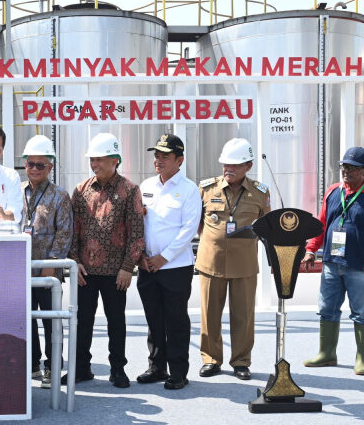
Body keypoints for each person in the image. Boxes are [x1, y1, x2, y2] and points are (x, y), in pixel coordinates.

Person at [63, 132, 145, 388]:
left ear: (115, 160)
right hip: (85, 271)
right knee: (82, 321)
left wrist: (126, 268)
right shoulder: (80, 191)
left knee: (116, 322)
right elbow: (72, 230)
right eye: (92, 160)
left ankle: (118, 369)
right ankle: (81, 368)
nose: (94, 164)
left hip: (115, 274)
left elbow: (136, 233)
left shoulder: (130, 191)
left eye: (99, 159)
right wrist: (74, 261)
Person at [302, 146, 364, 375]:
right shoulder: (333, 191)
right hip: (332, 263)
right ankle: (327, 353)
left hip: (360, 266)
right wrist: (311, 249)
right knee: (327, 309)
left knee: (361, 311)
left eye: (352, 167)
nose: (346, 171)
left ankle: (361, 357)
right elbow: (321, 224)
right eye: (344, 166)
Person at [195, 137, 271, 381]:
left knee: (243, 316)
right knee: (209, 314)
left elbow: (267, 226)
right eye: (225, 164)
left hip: (244, 265)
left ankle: (241, 361)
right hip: (210, 263)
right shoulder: (206, 189)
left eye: (235, 165)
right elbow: (197, 225)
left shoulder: (260, 192)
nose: (229, 169)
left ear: (248, 166)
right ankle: (210, 359)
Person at [136, 134, 201, 390]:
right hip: (148, 267)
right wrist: (141, 255)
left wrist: (163, 257)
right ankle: (156, 367)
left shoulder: (189, 190)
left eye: (165, 156)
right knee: (154, 319)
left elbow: (189, 230)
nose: (158, 161)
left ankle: (178, 372)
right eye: (157, 156)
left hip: (175, 268)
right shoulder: (146, 185)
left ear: (180, 160)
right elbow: (139, 223)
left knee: (175, 321)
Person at [21, 135, 73, 388]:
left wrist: (51, 266)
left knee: (51, 320)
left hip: (48, 270)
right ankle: (31, 365)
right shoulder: (16, 191)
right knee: (25, 318)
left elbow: (64, 233)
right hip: (20, 269)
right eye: (30, 164)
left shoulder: (59, 196)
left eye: (40, 165)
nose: (33, 169)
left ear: (50, 167)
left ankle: (52, 367)